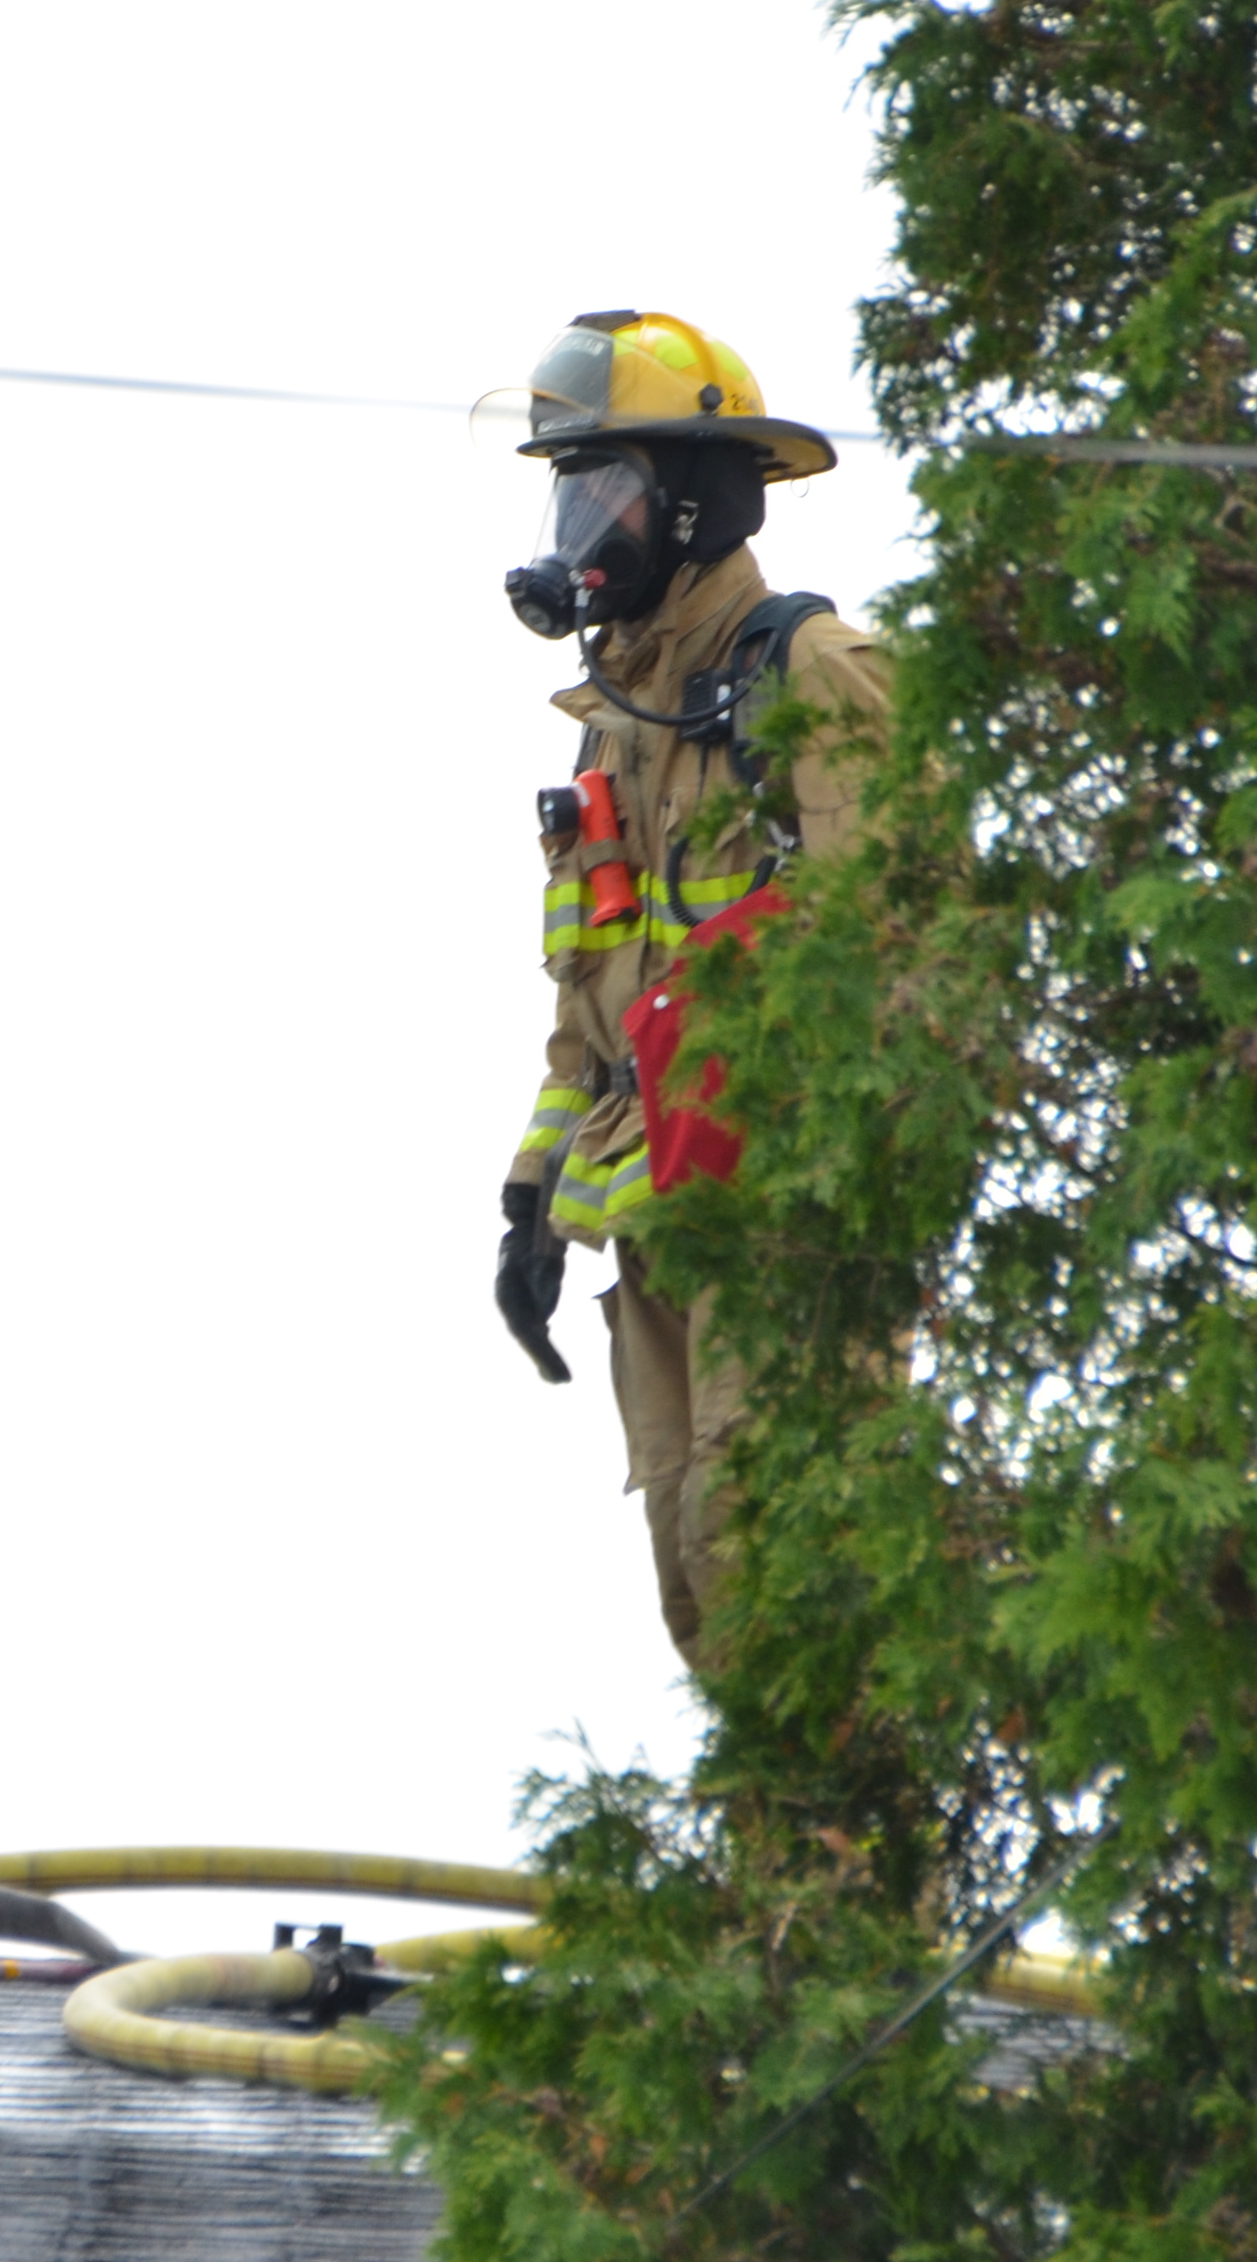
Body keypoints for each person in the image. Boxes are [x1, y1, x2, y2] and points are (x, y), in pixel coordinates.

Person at [482, 314, 892, 1671]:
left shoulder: (812, 678)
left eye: (607, 493)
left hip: (783, 1219)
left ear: (697, 505)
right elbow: (586, 1022)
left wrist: (849, 1189)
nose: (579, 530)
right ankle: (775, 1871)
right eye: (569, 493)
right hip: (656, 1224)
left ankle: (852, 1860)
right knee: (696, 1576)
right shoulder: (615, 730)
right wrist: (533, 1198)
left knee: (784, 1555)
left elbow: (926, 952)